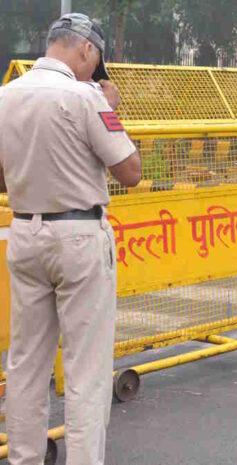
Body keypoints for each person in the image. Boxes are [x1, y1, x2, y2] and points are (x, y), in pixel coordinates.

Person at [0, 13, 141, 465]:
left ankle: (23, 459)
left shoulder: (5, 97)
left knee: (25, 365)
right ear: (86, 49)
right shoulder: (86, 97)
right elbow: (131, 171)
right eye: (95, 62)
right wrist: (111, 109)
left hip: (24, 232)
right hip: (79, 237)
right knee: (87, 370)